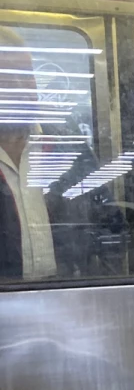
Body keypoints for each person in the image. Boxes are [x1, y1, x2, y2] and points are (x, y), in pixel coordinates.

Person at [0, 26, 57, 280]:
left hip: (73, 294)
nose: (23, 89)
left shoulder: (64, 145)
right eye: (6, 79)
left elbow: (108, 224)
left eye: (26, 76)